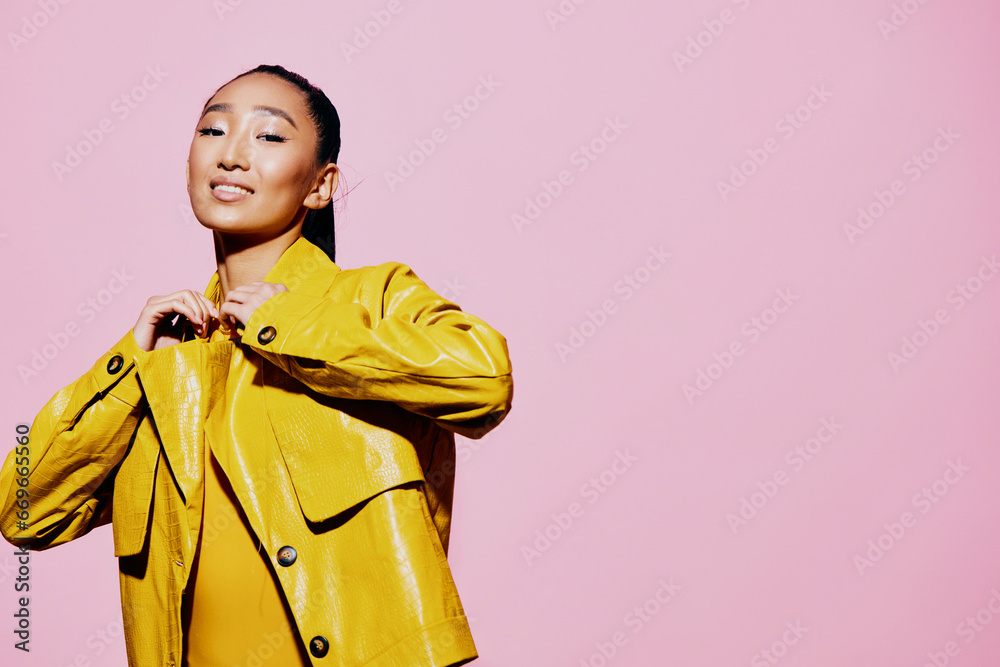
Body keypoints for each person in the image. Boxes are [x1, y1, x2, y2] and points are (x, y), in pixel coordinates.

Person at [0, 64, 513, 667]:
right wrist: (129, 364)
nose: (231, 155)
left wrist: (287, 323)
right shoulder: (168, 360)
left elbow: (484, 380)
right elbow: (25, 511)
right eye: (212, 131)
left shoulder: (372, 300)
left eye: (268, 136)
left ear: (320, 185)